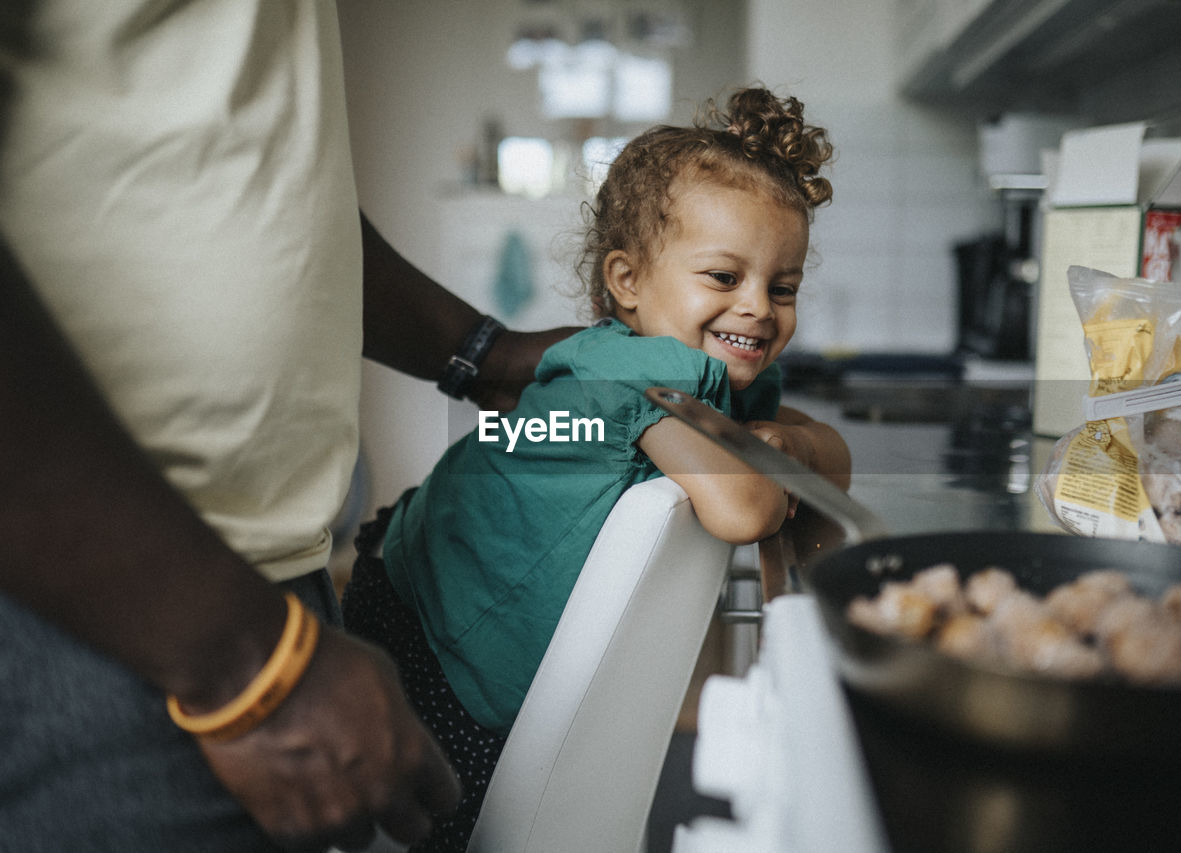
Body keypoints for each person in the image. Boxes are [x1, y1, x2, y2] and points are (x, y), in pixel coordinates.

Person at [0, 2, 571, 851]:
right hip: (112, 611)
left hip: (248, 598)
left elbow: (243, 178)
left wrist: (483, 354)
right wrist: (242, 664)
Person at [341, 86, 852, 851]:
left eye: (783, 287)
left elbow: (833, 453)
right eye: (723, 278)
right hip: (421, 621)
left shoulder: (720, 371)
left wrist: (796, 444)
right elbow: (743, 510)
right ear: (628, 282)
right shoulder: (626, 372)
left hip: (455, 603)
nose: (757, 308)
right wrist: (781, 457)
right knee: (446, 819)